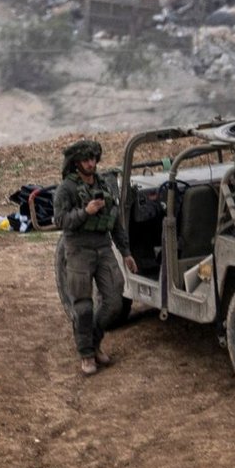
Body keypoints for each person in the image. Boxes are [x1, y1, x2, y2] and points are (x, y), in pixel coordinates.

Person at [53, 138, 137, 377]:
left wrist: (126, 252)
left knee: (114, 302)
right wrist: (85, 212)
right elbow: (60, 220)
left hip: (103, 246)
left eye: (93, 158)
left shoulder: (104, 184)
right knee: (83, 306)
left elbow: (116, 221)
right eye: (86, 159)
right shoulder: (67, 189)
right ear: (76, 162)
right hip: (78, 248)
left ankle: (93, 340)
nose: (91, 163)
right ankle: (87, 354)